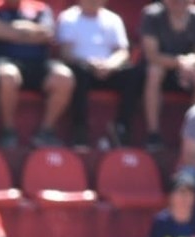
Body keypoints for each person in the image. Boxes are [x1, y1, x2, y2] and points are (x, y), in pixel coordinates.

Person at [54, 0, 139, 148]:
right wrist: (90, 63)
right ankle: (80, 129)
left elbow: (123, 51)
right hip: (82, 68)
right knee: (78, 73)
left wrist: (110, 65)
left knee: (133, 74)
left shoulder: (113, 19)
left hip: (109, 69)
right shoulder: (68, 17)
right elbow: (65, 53)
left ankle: (121, 127)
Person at [0, 0, 72, 147]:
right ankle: (8, 131)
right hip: (6, 61)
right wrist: (31, 32)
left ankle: (46, 131)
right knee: (7, 76)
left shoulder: (40, 8)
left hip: (38, 63)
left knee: (64, 77)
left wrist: (12, 31)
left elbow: (47, 33)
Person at [140, 0, 195, 151]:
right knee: (154, 71)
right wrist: (180, 62)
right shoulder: (152, 15)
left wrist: (189, 63)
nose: (178, 2)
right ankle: (154, 133)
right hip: (161, 68)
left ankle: (193, 134)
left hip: (187, 70)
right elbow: (152, 55)